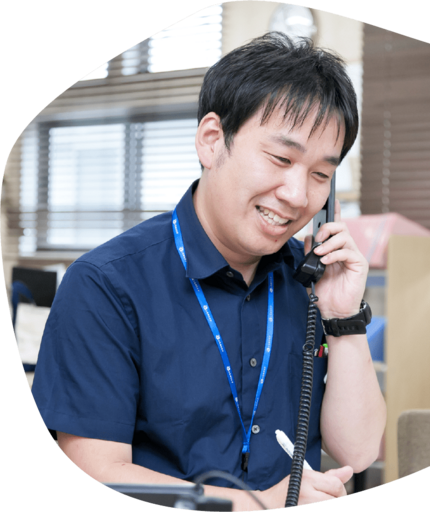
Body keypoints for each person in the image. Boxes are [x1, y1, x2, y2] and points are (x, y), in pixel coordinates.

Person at [31, 32, 386, 510]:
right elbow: (96, 470)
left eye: (320, 174)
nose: (298, 195)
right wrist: (257, 504)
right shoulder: (106, 285)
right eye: (281, 159)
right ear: (212, 140)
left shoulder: (309, 280)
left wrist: (343, 319)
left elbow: (358, 453)